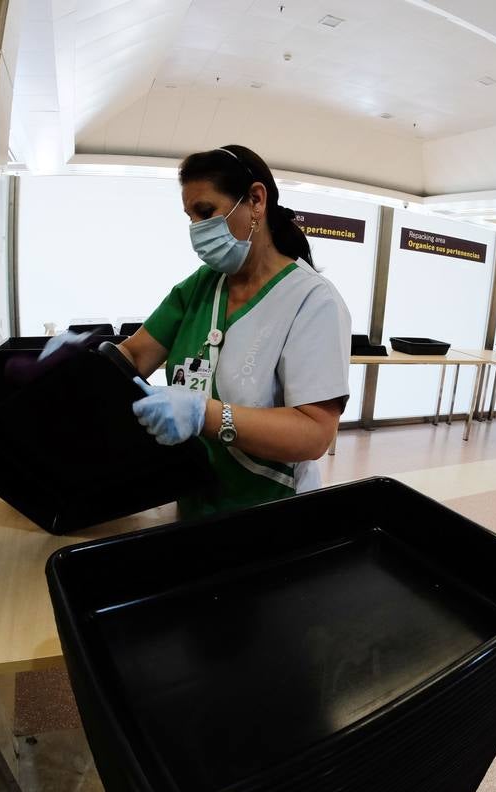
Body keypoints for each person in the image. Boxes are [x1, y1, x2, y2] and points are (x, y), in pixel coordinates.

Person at [118, 145, 351, 518]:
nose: (196, 228)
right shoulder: (201, 286)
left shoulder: (312, 301)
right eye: (190, 216)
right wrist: (84, 362)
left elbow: (315, 434)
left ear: (256, 200)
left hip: (270, 511)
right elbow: (134, 355)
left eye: (205, 212)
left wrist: (204, 414)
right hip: (195, 500)